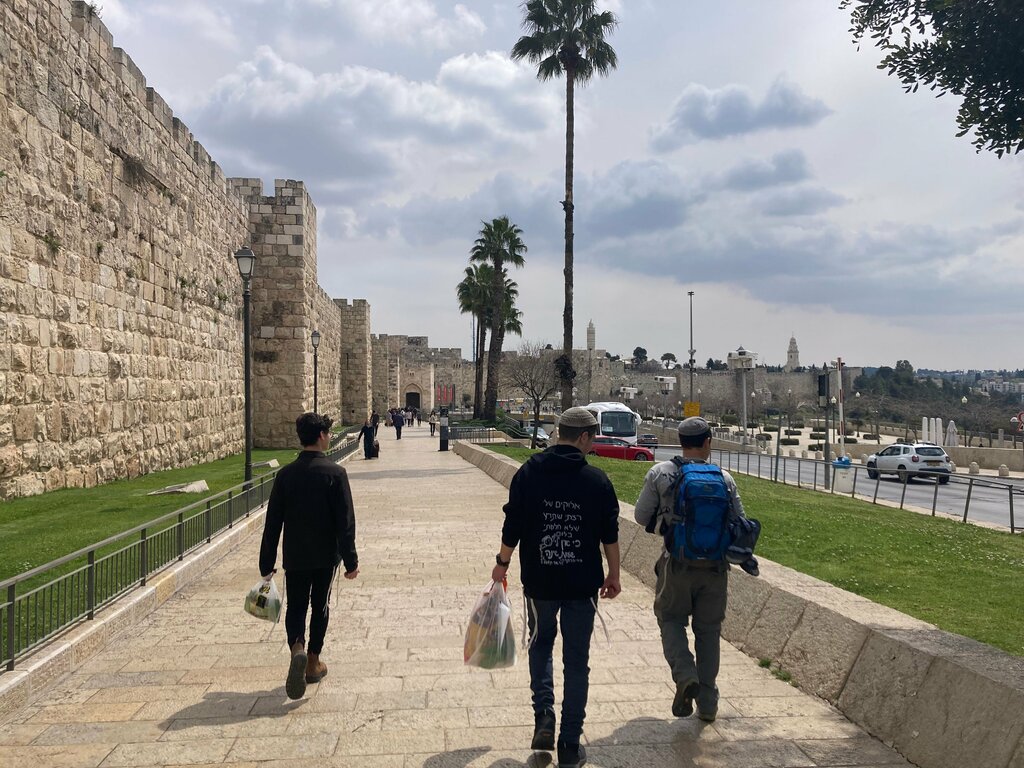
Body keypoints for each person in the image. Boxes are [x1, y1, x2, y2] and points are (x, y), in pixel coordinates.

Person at [491, 407, 621, 768]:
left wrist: (501, 564)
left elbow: (512, 525)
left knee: (541, 644)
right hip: (582, 584)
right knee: (577, 661)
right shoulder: (597, 482)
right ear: (582, 437)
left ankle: (544, 713)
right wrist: (614, 574)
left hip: (540, 581)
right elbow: (609, 534)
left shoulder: (528, 474)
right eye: (592, 437)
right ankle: (568, 742)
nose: (593, 444)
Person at [633, 416, 748, 724]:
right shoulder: (724, 478)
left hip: (677, 564)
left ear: (681, 442)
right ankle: (708, 704)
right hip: (715, 569)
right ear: (708, 442)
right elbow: (740, 522)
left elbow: (641, 516)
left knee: (670, 618)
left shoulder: (661, 472)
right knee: (708, 632)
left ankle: (685, 675)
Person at [259, 412, 360, 700]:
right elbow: (345, 522)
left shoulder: (286, 475)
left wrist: (266, 564)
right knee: (321, 606)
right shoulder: (335, 474)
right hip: (325, 557)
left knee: (296, 606)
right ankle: (313, 661)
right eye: (327, 433)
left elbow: (273, 523)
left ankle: (297, 649)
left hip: (296, 556)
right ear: (321, 436)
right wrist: (351, 561)